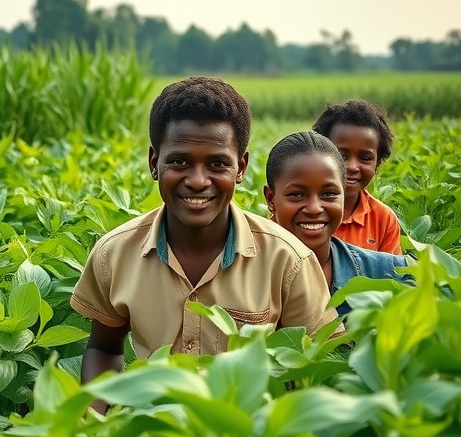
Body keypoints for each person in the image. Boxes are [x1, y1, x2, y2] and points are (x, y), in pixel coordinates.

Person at [70, 77, 337, 411]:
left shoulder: (288, 260)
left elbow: (314, 365)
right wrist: (94, 429)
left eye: (217, 164)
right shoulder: (114, 253)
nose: (197, 181)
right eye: (179, 161)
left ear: (240, 167)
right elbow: (104, 348)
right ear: (155, 163)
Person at [263, 131, 410, 316]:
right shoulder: (245, 277)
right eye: (297, 195)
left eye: (329, 194)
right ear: (271, 200)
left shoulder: (382, 271)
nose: (315, 208)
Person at [312, 99, 403, 255]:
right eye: (342, 155)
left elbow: (393, 276)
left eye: (365, 158)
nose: (352, 167)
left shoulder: (383, 219)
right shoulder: (300, 210)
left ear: (378, 162)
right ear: (320, 153)